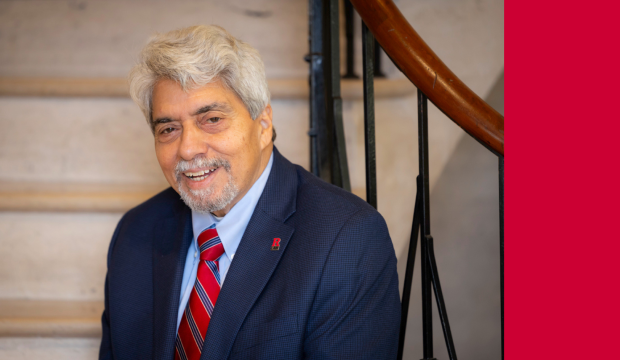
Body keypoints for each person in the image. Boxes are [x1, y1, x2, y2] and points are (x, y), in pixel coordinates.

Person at [99, 25, 400, 360]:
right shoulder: (135, 233)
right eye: (169, 128)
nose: (187, 148)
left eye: (211, 119)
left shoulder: (346, 239)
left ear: (263, 124)